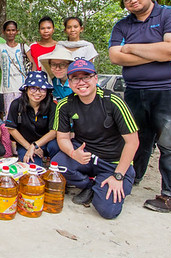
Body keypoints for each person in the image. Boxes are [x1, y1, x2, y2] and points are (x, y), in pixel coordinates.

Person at [108, 0, 171, 213]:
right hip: (135, 90)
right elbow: (116, 57)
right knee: (135, 138)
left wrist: (131, 48)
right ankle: (131, 176)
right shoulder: (122, 26)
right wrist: (156, 52)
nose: (132, 1)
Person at [51, 59, 139, 219]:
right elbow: (62, 137)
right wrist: (72, 153)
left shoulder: (112, 101)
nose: (81, 82)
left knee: (108, 211)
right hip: (85, 156)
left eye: (86, 76)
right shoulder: (65, 105)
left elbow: (133, 142)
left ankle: (116, 180)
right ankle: (89, 185)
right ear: (69, 83)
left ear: (95, 79)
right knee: (56, 166)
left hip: (112, 162)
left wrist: (118, 175)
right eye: (75, 78)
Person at [4, 71, 58, 166]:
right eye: (33, 88)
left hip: (45, 143)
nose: (37, 93)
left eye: (42, 89)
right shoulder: (16, 104)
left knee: (55, 146)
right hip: (25, 144)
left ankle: (54, 164)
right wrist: (29, 147)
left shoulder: (52, 106)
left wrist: (35, 145)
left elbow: (53, 132)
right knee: (34, 169)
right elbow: (11, 128)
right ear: (26, 89)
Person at [0, 20, 30, 115]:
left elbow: (33, 63)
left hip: (22, 86)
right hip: (8, 87)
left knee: (24, 114)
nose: (11, 33)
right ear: (4, 32)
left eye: (13, 30)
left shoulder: (23, 47)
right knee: (9, 114)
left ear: (17, 31)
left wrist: (30, 82)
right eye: (8, 30)